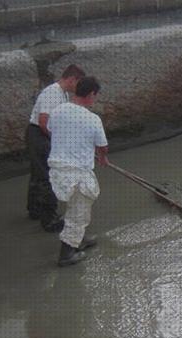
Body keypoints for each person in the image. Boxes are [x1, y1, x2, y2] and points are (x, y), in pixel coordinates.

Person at [47, 76, 109, 267]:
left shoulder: (58, 110)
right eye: (95, 96)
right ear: (91, 94)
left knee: (73, 207)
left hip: (58, 171)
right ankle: (67, 255)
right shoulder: (92, 119)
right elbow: (102, 146)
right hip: (77, 173)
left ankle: (78, 239)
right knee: (78, 213)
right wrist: (102, 158)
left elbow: (50, 130)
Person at [25, 64, 86, 232]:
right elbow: (44, 122)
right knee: (47, 177)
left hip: (40, 134)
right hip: (39, 134)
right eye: (79, 84)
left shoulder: (63, 94)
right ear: (72, 79)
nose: (79, 89)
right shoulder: (52, 92)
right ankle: (49, 220)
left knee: (38, 173)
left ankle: (34, 209)